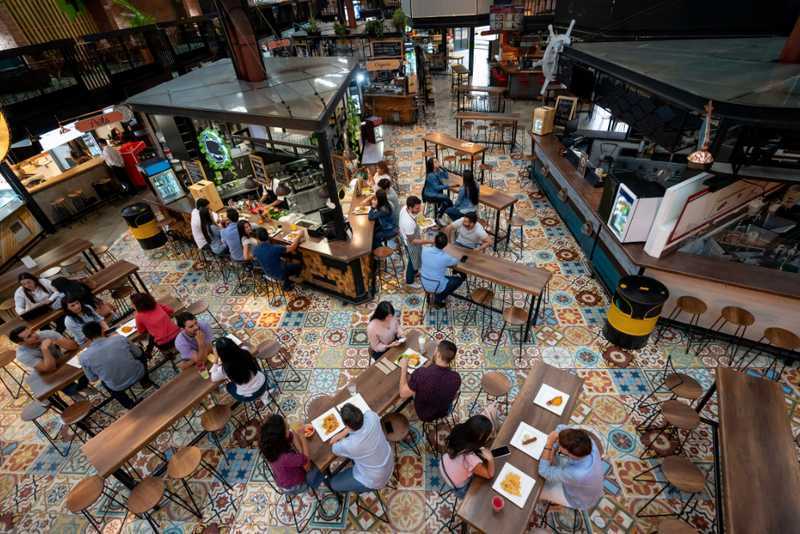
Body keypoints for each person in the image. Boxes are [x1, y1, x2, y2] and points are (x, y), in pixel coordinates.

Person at [79, 321, 151, 409]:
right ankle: (145, 381)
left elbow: (93, 379)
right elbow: (138, 354)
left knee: (105, 382)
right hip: (138, 373)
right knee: (139, 351)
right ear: (102, 330)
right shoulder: (119, 338)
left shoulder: (83, 357)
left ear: (87, 337)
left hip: (117, 386)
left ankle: (130, 405)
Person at [328, 404, 394, 493]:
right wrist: (348, 429)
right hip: (389, 461)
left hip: (374, 480)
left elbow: (333, 447)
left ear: (346, 425)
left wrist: (343, 433)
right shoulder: (371, 416)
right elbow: (367, 414)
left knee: (333, 484)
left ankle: (362, 488)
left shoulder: (349, 445)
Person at [9, 326, 87, 397]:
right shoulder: (22, 355)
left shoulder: (46, 334)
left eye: (32, 332)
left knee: (85, 367)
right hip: (48, 374)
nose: (35, 335)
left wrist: (55, 341)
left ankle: (84, 387)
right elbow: (50, 368)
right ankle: (77, 395)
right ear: (21, 343)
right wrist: (44, 349)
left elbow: (74, 346)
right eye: (29, 336)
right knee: (69, 388)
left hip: (61, 362)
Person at [538, 425, 604, 510]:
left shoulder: (576, 474)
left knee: (537, 490)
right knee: (556, 457)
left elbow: (543, 471)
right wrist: (553, 448)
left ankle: (553, 505)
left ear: (569, 453)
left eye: (560, 444)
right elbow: (561, 427)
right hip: (589, 485)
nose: (558, 442)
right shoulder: (588, 442)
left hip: (577, 499)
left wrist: (549, 444)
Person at [399, 339, 461, 422]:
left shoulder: (421, 374)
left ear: (438, 354)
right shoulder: (456, 377)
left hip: (425, 414)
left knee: (412, 388)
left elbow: (403, 394)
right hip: (444, 410)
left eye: (436, 349)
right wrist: (430, 363)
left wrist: (404, 368)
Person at [259, 414, 323, 493]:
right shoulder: (285, 458)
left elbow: (292, 435)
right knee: (319, 465)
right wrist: (302, 437)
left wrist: (300, 452)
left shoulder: (271, 445)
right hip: (294, 486)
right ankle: (310, 488)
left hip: (282, 479)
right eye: (287, 428)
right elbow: (307, 464)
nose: (289, 427)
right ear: (281, 436)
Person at [440, 414, 496, 497]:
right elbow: (489, 475)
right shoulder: (471, 458)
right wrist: (490, 459)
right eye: (488, 435)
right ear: (480, 438)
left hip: (442, 463)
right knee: (482, 486)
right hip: (458, 487)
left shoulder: (458, 428)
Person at [209, 337, 269, 402]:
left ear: (220, 354)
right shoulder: (245, 350)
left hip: (250, 395)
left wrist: (216, 359)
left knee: (229, 386)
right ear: (234, 344)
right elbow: (244, 348)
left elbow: (213, 378)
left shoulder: (223, 369)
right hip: (263, 382)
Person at [420, 232, 465, 306]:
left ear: (434, 241)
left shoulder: (424, 250)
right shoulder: (445, 257)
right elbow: (455, 261)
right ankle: (438, 299)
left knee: (440, 275)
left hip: (424, 282)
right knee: (458, 280)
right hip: (437, 286)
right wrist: (460, 256)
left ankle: (429, 296)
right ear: (445, 245)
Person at [398, 196, 433, 289]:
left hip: (409, 236)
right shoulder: (408, 222)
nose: (419, 210)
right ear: (410, 208)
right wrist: (430, 241)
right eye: (417, 208)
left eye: (419, 207)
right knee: (412, 261)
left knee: (416, 258)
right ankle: (409, 281)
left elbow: (417, 216)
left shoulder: (405, 208)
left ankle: (415, 272)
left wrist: (424, 221)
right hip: (410, 243)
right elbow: (413, 241)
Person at [422, 158, 452, 224]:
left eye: (437, 161)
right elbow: (437, 188)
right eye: (435, 162)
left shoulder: (438, 172)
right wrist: (448, 186)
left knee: (447, 201)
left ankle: (440, 214)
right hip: (430, 195)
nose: (438, 162)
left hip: (437, 193)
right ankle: (441, 214)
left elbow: (446, 176)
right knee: (447, 200)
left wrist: (442, 167)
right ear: (432, 165)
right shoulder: (430, 175)